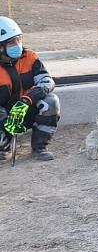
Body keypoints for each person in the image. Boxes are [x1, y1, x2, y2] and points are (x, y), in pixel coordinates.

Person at [0, 16, 59, 162]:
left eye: (18, 39)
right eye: (11, 42)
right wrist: (6, 121)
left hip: (25, 109)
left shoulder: (30, 57)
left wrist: (26, 101)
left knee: (50, 101)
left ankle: (39, 147)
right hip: (4, 116)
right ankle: (4, 146)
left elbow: (46, 82)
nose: (17, 45)